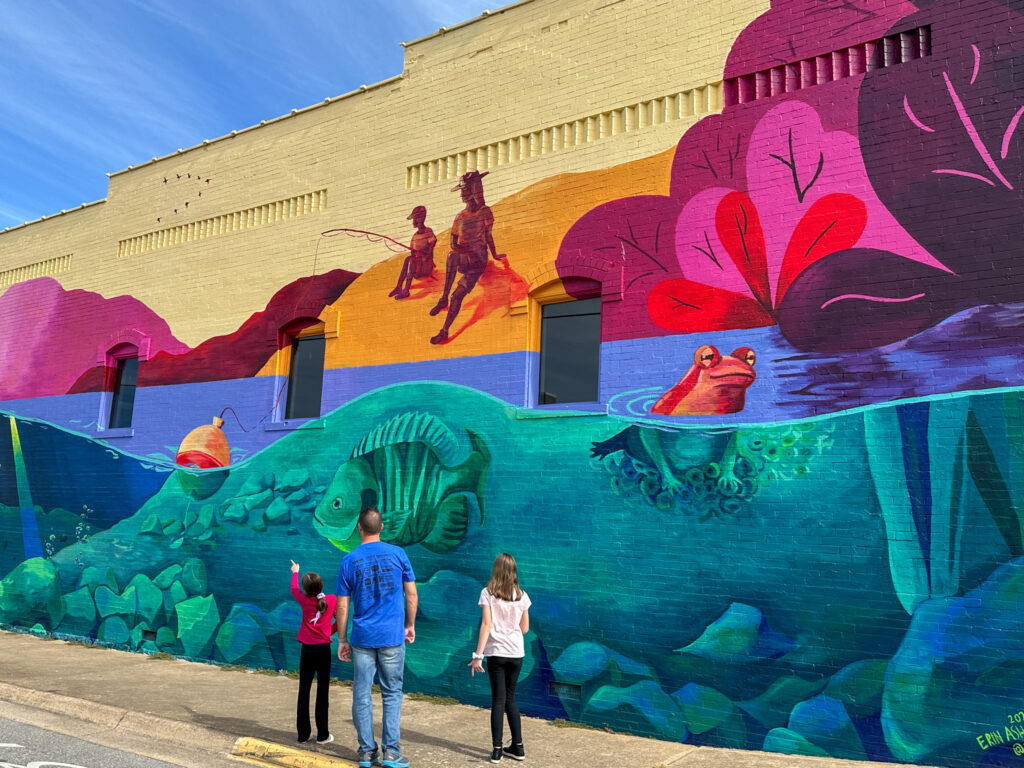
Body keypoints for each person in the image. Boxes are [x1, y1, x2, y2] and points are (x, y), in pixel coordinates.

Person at [336, 507, 418, 768]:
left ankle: (366, 752)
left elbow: (342, 605)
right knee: (392, 693)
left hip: (362, 638)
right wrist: (410, 625)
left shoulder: (349, 560)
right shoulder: (398, 555)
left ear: (359, 528)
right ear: (381, 527)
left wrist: (341, 639)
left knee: (362, 694)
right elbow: (412, 595)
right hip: (392, 637)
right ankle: (391, 753)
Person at [428, 170, 506, 344]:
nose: (462, 193)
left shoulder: (485, 212)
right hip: (463, 256)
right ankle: (443, 298)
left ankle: (444, 330)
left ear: (472, 191)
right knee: (451, 255)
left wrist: (494, 254)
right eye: (462, 190)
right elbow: (452, 243)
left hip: (478, 258)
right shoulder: (460, 217)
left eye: (465, 189)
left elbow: (488, 236)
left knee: (457, 296)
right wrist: (464, 251)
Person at [468, 553, 531, 763]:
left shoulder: (487, 593)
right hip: (516, 654)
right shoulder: (522, 595)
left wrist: (478, 656)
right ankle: (518, 747)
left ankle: (497, 750)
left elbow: (486, 625)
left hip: (496, 653)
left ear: (496, 570)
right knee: (511, 699)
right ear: (514, 572)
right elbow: (524, 629)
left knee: (498, 700)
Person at [289, 559, 337, 746]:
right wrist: (328, 632)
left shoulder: (304, 599)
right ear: (322, 585)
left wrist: (295, 571)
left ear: (305, 588)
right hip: (323, 650)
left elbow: (294, 590)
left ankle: (303, 734)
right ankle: (323, 735)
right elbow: (339, 622)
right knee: (322, 692)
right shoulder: (331, 600)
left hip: (307, 650)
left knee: (304, 690)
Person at [389, 206, 437, 300]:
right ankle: (399, 287)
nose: (414, 221)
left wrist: (424, 255)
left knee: (412, 260)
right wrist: (415, 253)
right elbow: (412, 251)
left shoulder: (428, 231)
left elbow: (432, 244)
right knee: (408, 259)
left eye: (415, 218)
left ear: (421, 218)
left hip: (425, 266)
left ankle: (406, 290)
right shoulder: (415, 235)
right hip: (417, 266)